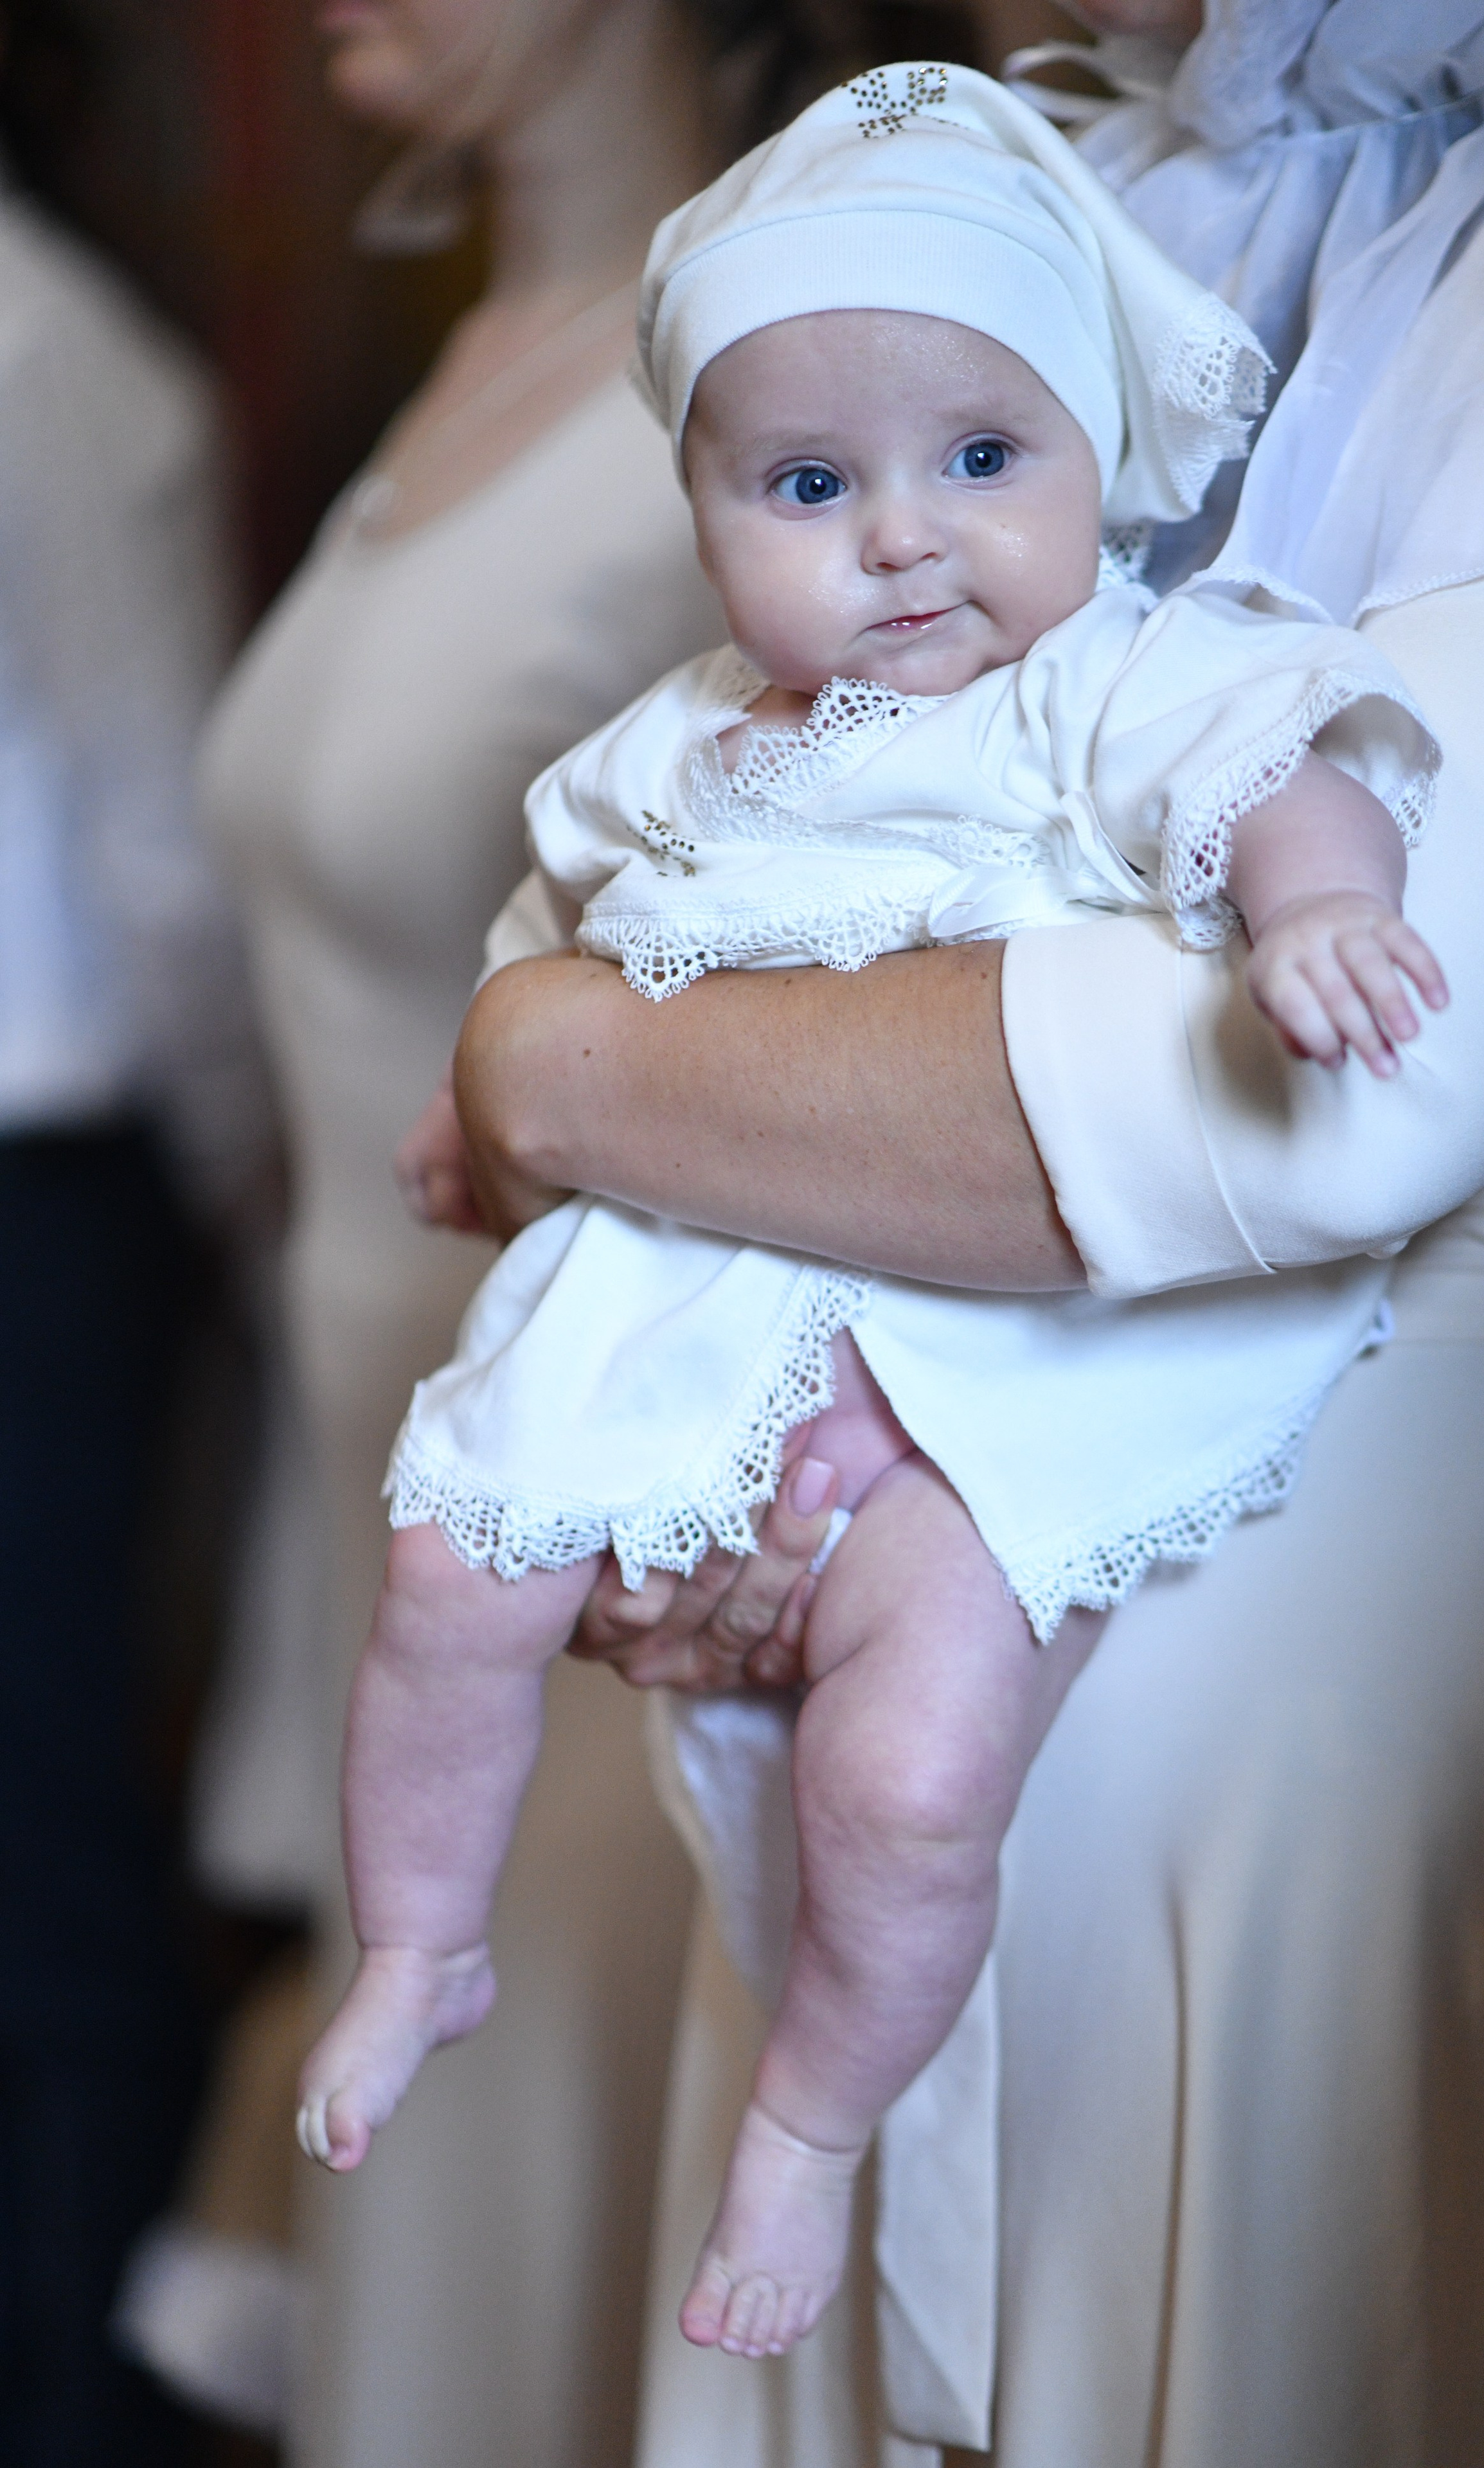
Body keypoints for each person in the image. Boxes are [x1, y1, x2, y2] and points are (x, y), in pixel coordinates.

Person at [440, 3, 1484, 2460]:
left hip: (1337, 1779)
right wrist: (676, 1424)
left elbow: (1328, 1112)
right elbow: (696, 837)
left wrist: (556, 1070)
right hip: (854, 1759)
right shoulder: (989, 205)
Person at [202, 3, 974, 2460]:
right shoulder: (486, 360)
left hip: (605, 1495)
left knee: (587, 2278)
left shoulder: (800, 389)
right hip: (373, 1471)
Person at [0, 128, 273, 2462]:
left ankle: (99, 2402)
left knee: (56, 1829)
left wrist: (236, 1206)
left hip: (49, 1183)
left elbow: (161, 838)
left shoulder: (47, 353)